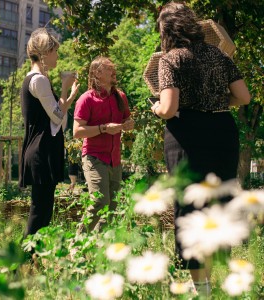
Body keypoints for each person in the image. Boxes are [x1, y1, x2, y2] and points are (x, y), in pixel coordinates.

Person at [151, 2, 251, 296]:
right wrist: (218, 103)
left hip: (188, 136)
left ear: (166, 29)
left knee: (190, 207)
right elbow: (243, 97)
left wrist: (158, 108)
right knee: (218, 203)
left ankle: (202, 288)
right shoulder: (218, 54)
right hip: (222, 132)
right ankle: (218, 276)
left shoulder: (170, 60)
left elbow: (169, 108)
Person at [20, 28, 79, 239]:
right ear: (44, 53)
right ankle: (22, 261)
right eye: (55, 51)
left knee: (44, 211)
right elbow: (57, 117)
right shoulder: (39, 80)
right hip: (41, 150)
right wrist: (64, 89)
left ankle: (33, 259)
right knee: (40, 212)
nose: (57, 56)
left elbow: (58, 116)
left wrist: (69, 96)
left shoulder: (37, 79)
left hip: (42, 149)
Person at [73, 56, 134, 233]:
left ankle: (99, 250)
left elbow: (127, 119)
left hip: (115, 160)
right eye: (109, 68)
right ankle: (77, 244)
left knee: (112, 209)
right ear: (97, 74)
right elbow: (77, 132)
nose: (113, 70)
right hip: (94, 157)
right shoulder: (86, 99)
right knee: (100, 202)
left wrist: (129, 124)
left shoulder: (120, 96)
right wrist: (104, 128)